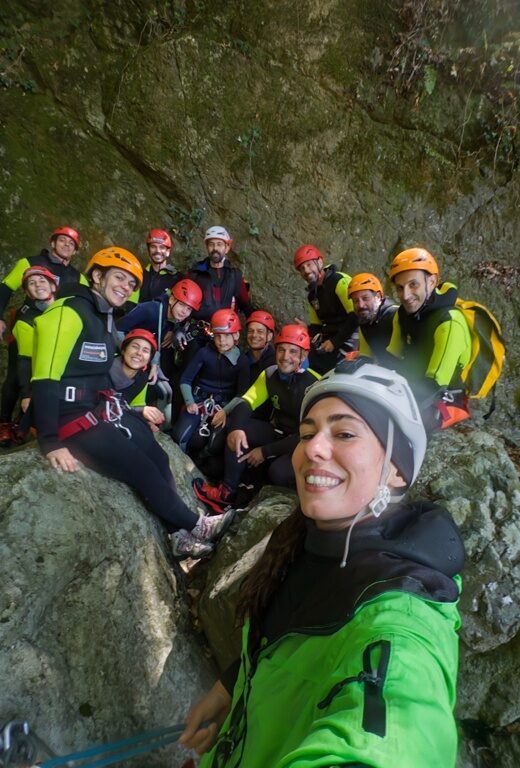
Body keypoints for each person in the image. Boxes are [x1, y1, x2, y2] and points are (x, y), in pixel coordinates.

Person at [180, 361, 465, 767]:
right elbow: (283, 647)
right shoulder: (302, 543)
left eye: (344, 433)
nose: (312, 447)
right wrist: (230, 690)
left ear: (397, 470)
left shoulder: (403, 617)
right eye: (308, 433)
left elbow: (394, 732)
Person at [31, 246, 233, 560]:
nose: (126, 287)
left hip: (98, 412)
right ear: (97, 276)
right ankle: (198, 526)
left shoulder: (103, 318)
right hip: (70, 421)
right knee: (141, 468)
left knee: (157, 455)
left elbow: (103, 368)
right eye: (120, 278)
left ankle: (178, 535)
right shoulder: (67, 313)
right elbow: (44, 378)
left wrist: (133, 398)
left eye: (131, 284)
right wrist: (50, 442)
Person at [193, 325, 318, 512]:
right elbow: (246, 402)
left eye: (293, 352)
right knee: (238, 430)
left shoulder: (314, 386)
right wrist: (236, 429)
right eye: (281, 350)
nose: (285, 357)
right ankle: (227, 493)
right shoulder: (270, 375)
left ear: (304, 355)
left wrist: (265, 451)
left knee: (278, 472)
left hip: (303, 443)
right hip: (279, 432)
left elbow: (308, 435)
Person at [0, 226, 85, 445]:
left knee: (51, 372)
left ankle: (24, 420)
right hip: (28, 323)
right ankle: (4, 423)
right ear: (52, 243)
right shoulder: (29, 262)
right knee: (17, 372)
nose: (66, 246)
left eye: (71, 244)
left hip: (57, 326)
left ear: (75, 251)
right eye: (62, 241)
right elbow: (6, 287)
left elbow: (88, 298)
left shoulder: (76, 276)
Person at [388, 247, 471, 412]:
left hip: (444, 401)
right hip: (410, 386)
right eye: (399, 287)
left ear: (432, 282)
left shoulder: (449, 323)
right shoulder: (402, 314)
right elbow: (391, 357)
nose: (405, 296)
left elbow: (434, 385)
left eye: (413, 285)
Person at [172, 308, 251, 454]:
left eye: (227, 336)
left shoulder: (242, 361)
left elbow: (242, 393)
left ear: (236, 335)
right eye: (218, 336)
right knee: (179, 436)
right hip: (199, 401)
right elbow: (185, 379)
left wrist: (225, 412)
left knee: (214, 445)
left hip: (224, 406)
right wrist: (190, 402)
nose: (222, 341)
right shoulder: (204, 353)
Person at [5, 266, 60, 440]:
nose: (38, 285)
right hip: (41, 377)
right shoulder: (25, 322)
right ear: (28, 292)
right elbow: (26, 361)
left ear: (53, 286)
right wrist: (27, 395)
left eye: (42, 280)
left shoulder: (66, 309)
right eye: (32, 283)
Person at [292, 243, 357, 374]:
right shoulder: (312, 296)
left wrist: (334, 342)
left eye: (309, 264)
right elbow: (317, 326)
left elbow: (355, 316)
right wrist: (306, 330)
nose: (306, 271)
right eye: (302, 268)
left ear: (320, 262)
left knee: (332, 370)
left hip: (351, 337)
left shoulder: (339, 281)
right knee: (305, 362)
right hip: (331, 340)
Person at [188, 226, 252, 322]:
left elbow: (246, 305)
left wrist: (258, 324)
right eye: (211, 244)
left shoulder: (235, 276)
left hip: (226, 332)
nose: (215, 248)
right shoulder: (196, 272)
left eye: (219, 244)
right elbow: (183, 302)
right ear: (207, 247)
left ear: (227, 248)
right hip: (198, 330)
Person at [109, 329, 167, 432]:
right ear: (123, 350)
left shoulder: (142, 379)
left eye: (145, 351)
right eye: (135, 347)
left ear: (149, 359)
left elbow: (136, 405)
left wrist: (146, 421)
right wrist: (141, 411)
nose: (139, 353)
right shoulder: (104, 368)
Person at [347, 272, 403, 367]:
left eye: (365, 298)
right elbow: (366, 356)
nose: (360, 305)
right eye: (356, 301)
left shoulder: (395, 314)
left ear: (378, 297)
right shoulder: (364, 322)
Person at [138, 228, 182, 303]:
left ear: (168, 252)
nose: (157, 251)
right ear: (148, 250)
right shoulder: (140, 274)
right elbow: (131, 305)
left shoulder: (177, 278)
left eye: (162, 247)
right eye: (153, 247)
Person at [242, 309, 276, 380]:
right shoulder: (242, 360)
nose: (254, 335)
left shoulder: (275, 363)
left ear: (269, 336)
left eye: (260, 332)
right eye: (251, 331)